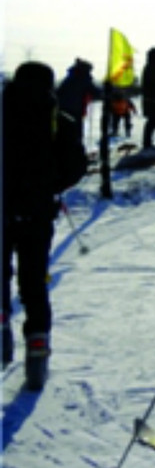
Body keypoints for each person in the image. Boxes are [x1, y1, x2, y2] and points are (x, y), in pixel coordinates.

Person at [3, 62, 88, 390]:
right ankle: (37, 349)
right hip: (37, 213)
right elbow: (76, 167)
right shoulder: (59, 121)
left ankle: (1, 329)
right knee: (34, 282)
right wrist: (52, 186)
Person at [56, 58, 102, 142]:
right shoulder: (84, 79)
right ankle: (75, 150)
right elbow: (96, 93)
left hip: (62, 109)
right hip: (76, 110)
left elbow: (58, 92)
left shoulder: (69, 78)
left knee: (64, 132)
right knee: (76, 134)